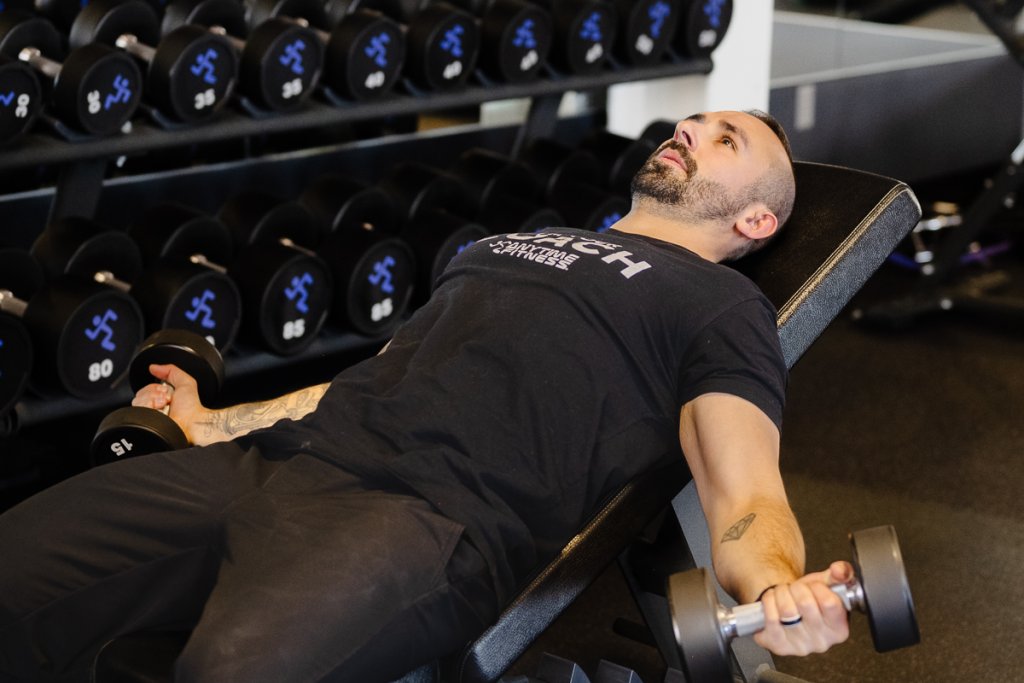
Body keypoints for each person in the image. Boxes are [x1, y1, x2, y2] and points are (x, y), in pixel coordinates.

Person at [0, 110, 853, 683]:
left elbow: (745, 491)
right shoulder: (508, 244)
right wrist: (212, 421)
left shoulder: (720, 307)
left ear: (756, 223)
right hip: (268, 467)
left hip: (420, 523)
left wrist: (775, 589)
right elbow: (380, 372)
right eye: (691, 123)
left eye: (725, 140)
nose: (689, 132)